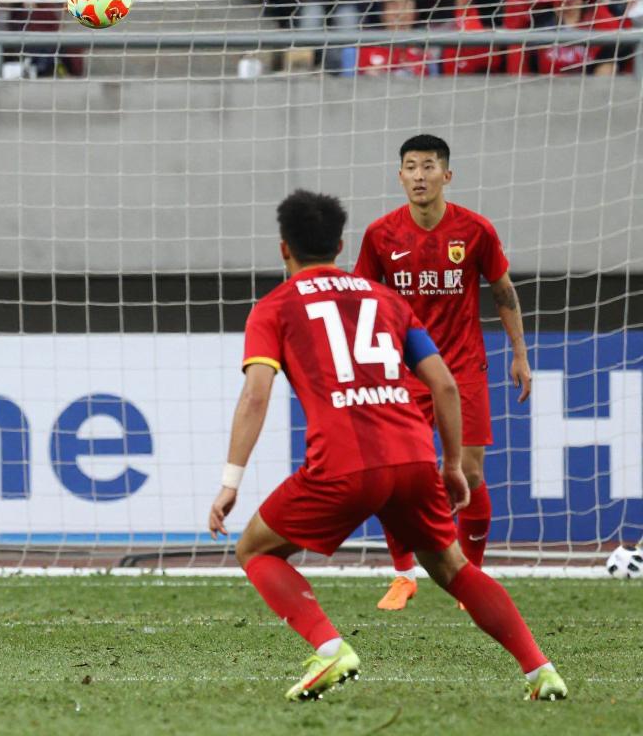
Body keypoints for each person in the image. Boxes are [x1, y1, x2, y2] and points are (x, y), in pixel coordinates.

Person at [208, 188, 567, 702]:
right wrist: (451, 465)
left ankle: (330, 649)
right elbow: (444, 385)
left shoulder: (274, 308)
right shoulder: (386, 299)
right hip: (414, 457)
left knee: (254, 549)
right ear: (340, 245)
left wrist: (230, 481)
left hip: (343, 465)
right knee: (452, 568)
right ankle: (541, 670)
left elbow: (255, 395)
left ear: (284, 248)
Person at [353, 135, 530, 610]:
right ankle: (403, 574)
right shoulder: (380, 234)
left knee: (469, 473)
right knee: (395, 476)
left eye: (428, 166)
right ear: (400, 176)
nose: (419, 175)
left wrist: (520, 353)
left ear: (446, 175)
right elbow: (364, 303)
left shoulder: (475, 230)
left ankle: (469, 579)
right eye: (410, 167)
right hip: (404, 370)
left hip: (464, 367)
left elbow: (503, 291)